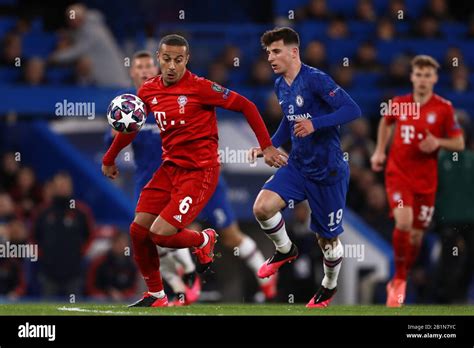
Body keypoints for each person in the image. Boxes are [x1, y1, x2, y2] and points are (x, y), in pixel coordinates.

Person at [101, 34, 285, 307]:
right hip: (169, 168)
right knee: (138, 231)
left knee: (159, 234)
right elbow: (132, 127)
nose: (172, 66)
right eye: (166, 59)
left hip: (200, 172)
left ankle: (202, 239)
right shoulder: (149, 90)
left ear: (186, 60)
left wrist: (267, 146)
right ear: (159, 59)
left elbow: (246, 105)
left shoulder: (201, 88)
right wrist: (109, 158)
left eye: (178, 60)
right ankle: (156, 295)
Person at [249, 27, 361, 308]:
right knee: (262, 208)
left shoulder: (316, 80)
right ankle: (285, 250)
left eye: (276, 51)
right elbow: (289, 122)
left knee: (327, 240)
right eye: (268, 53)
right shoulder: (279, 85)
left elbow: (352, 110)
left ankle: (329, 285)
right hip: (298, 165)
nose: (270, 58)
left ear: (293, 52)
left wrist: (316, 124)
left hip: (328, 171)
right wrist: (268, 146)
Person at [370, 55, 465, 307]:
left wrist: (438, 143)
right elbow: (385, 122)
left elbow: (459, 142)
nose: (422, 80)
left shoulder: (444, 108)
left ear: (434, 78)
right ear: (412, 77)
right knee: (403, 221)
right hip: (398, 174)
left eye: (427, 75)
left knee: (414, 237)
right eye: (418, 75)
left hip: (426, 181)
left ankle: (402, 275)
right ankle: (399, 280)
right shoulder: (400, 103)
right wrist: (380, 151)